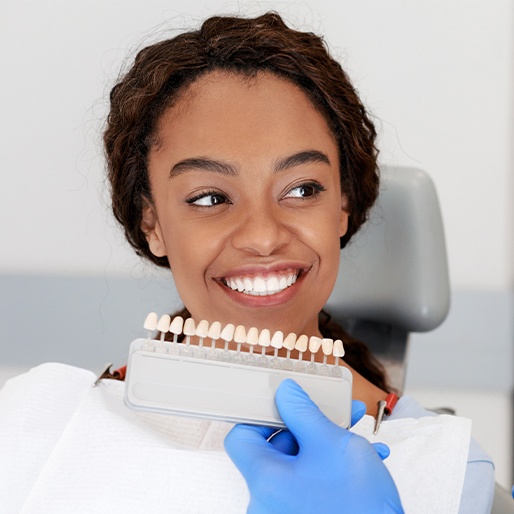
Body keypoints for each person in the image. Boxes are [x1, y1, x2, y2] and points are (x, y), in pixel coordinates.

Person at [0, 11, 494, 514]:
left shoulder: (446, 471)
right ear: (152, 223)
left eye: (302, 189)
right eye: (210, 197)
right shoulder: (35, 427)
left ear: (342, 205)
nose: (262, 236)